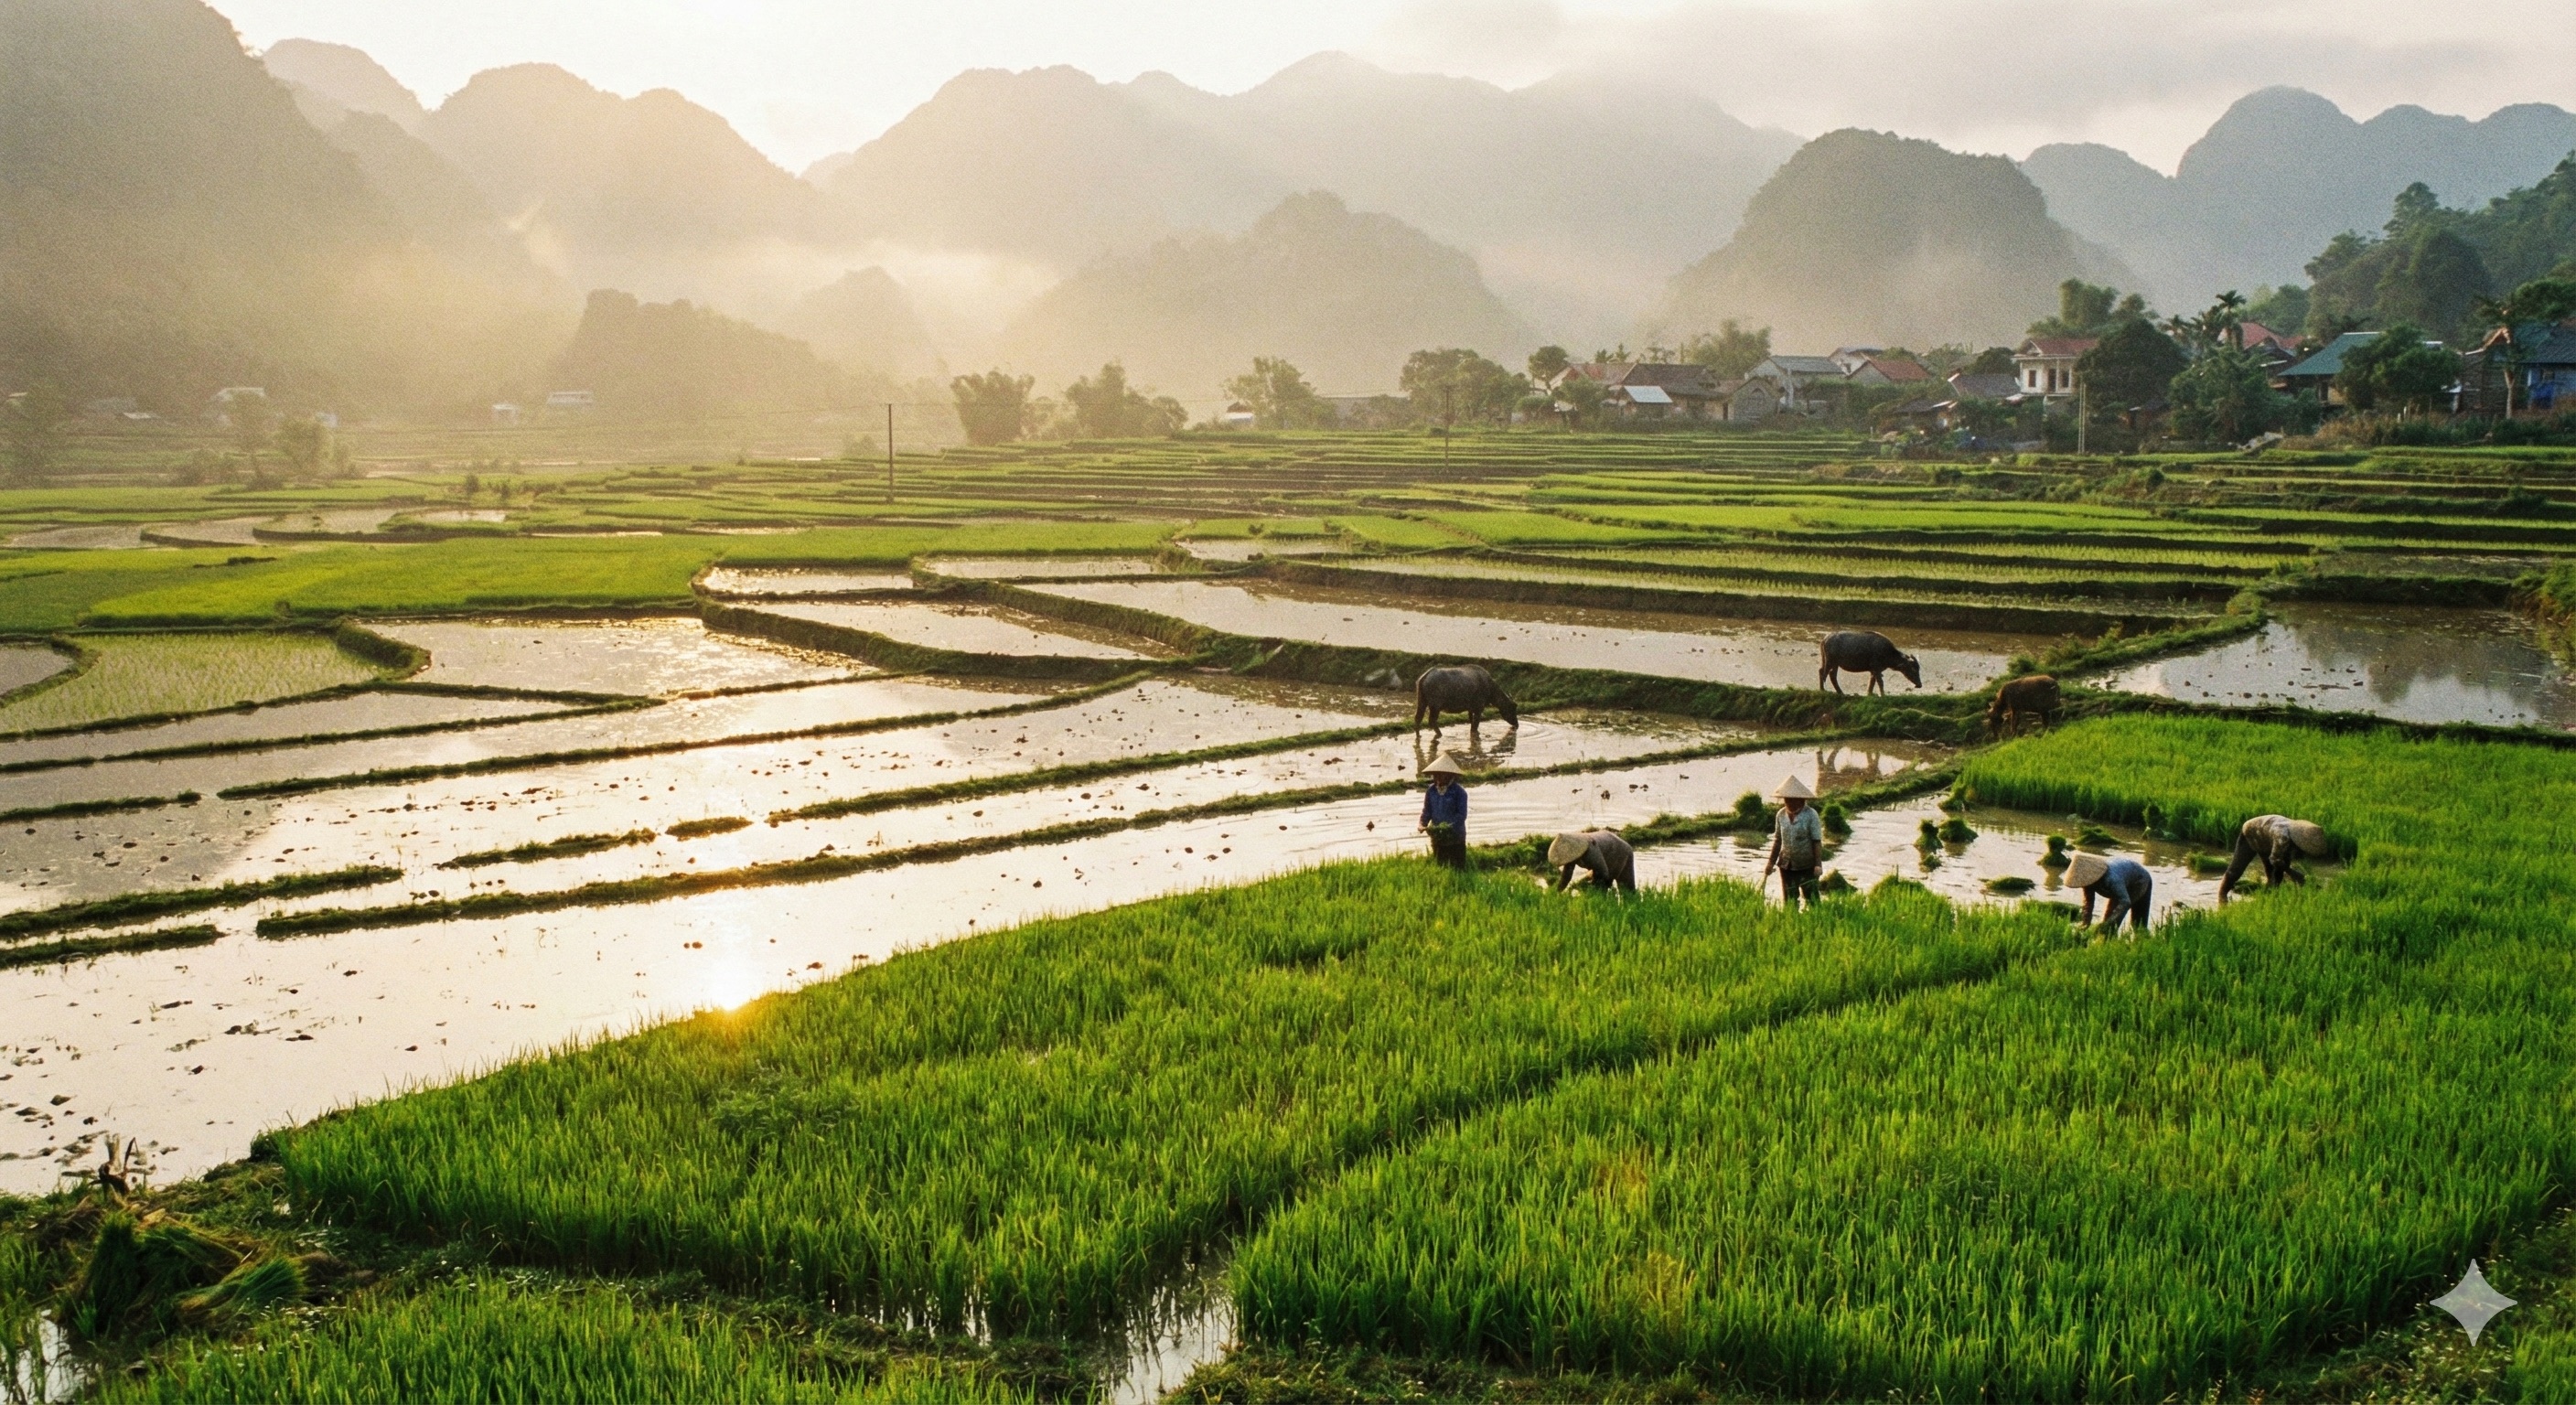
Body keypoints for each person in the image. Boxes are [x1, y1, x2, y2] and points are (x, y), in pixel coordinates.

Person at [2217, 814, 2330, 901]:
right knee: (2236, 869)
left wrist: (2290, 872)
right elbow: (2275, 859)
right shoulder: (2283, 836)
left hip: (2267, 835)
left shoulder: (2294, 834)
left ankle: (2270, 894)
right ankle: (2222, 895)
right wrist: (2293, 873)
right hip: (2251, 833)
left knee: (2276, 873)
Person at [1765, 775, 1825, 909]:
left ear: (1801, 800)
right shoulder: (1781, 815)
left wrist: (1818, 865)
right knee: (1789, 901)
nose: (1789, 803)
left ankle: (1816, 919)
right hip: (1786, 865)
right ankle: (1792, 918)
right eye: (1786, 800)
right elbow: (1778, 840)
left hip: (1807, 865)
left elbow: (1816, 841)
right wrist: (1770, 863)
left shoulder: (1811, 815)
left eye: (1792, 800)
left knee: (1812, 899)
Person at [2065, 852, 2152, 934]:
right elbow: (2088, 903)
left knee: (2136, 923)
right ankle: (2106, 936)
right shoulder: (2087, 880)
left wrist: (2109, 923)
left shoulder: (2111, 879)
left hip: (2139, 880)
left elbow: (2125, 901)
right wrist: (2085, 923)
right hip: (2124, 875)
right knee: (2107, 917)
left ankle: (2135, 937)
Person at [1418, 752, 1469, 869]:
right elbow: (1427, 811)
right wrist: (1422, 824)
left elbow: (1461, 815)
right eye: (1435, 775)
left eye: (1441, 775)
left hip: (1455, 836)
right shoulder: (1431, 791)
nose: (1437, 778)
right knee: (1440, 866)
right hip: (1437, 836)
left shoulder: (1459, 792)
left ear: (1450, 775)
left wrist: (1447, 827)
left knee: (1457, 867)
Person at [1549, 830, 1637, 894]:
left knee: (1625, 890)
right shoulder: (1571, 853)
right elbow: (1566, 876)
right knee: (1600, 888)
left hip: (1619, 850)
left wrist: (1587, 885)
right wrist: (1556, 892)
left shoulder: (1590, 851)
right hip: (1608, 845)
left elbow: (1603, 873)